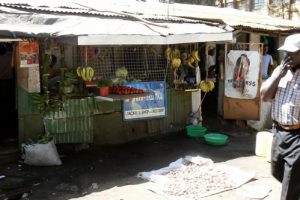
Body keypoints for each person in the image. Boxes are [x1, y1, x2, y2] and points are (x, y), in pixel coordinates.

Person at [260, 33, 300, 200]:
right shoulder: (280, 70)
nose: (287, 56)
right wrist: (279, 74)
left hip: (297, 135)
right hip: (278, 132)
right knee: (277, 172)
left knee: (290, 184)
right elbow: (264, 95)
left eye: (292, 53)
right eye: (285, 52)